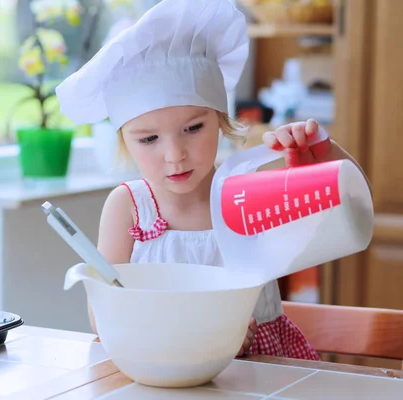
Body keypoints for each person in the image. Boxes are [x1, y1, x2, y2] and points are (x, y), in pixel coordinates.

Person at [55, 0, 369, 360]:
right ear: (123, 140)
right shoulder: (128, 208)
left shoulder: (248, 189)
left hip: (264, 370)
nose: (175, 154)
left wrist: (322, 156)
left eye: (192, 128)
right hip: (164, 367)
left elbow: (354, 207)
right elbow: (103, 316)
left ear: (220, 119)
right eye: (148, 139)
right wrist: (203, 336)